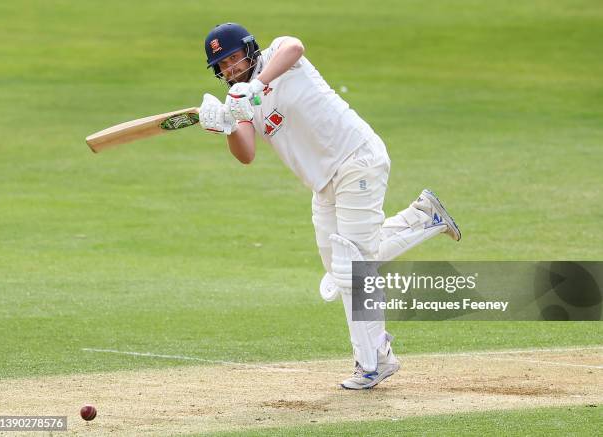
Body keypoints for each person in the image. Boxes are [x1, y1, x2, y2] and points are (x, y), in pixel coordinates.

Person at [198, 23, 461, 389]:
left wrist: (254, 87)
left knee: (352, 267)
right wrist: (227, 124)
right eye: (221, 67)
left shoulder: (277, 57)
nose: (229, 70)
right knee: (341, 270)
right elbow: (246, 154)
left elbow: (296, 45)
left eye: (233, 59)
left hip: (356, 158)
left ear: (249, 49)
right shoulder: (237, 99)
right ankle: (423, 218)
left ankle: (374, 362)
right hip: (322, 184)